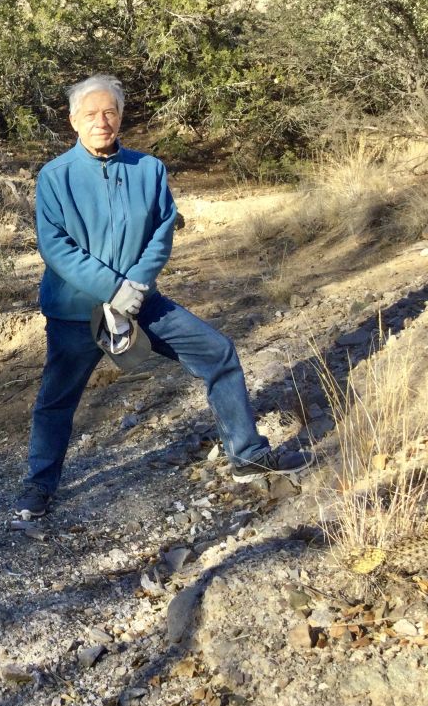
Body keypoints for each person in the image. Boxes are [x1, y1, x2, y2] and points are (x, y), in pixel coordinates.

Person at [16, 75, 310, 520]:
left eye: (109, 112)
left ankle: (247, 456)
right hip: (77, 310)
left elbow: (161, 229)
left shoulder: (149, 168)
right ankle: (39, 486)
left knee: (218, 353)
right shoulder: (55, 177)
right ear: (73, 120)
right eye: (91, 114)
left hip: (141, 301)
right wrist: (113, 289)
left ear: (120, 116)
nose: (102, 121)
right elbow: (56, 248)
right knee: (57, 400)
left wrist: (134, 286)